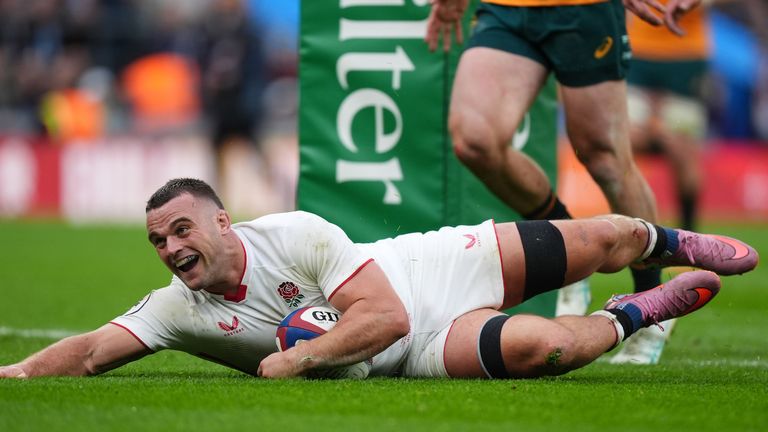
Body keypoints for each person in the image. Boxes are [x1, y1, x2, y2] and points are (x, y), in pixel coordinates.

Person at [0, 178, 757, 379]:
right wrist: (23, 372)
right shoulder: (178, 308)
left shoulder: (294, 234)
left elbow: (385, 314)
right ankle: (636, 312)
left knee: (604, 235)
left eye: (182, 229)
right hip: (422, 348)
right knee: (549, 351)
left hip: (425, 272)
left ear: (224, 222)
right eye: (158, 239)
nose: (169, 248)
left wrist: (294, 358)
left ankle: (667, 239)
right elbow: (96, 350)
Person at [424, 0, 706, 359]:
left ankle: (653, 306)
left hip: (583, 9)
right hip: (505, 8)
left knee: (604, 158)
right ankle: (571, 235)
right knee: (474, 142)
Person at [617, 0, 713, 364]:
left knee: (684, 152)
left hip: (685, 52)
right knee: (625, 143)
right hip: (638, 48)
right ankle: (637, 236)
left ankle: (689, 240)